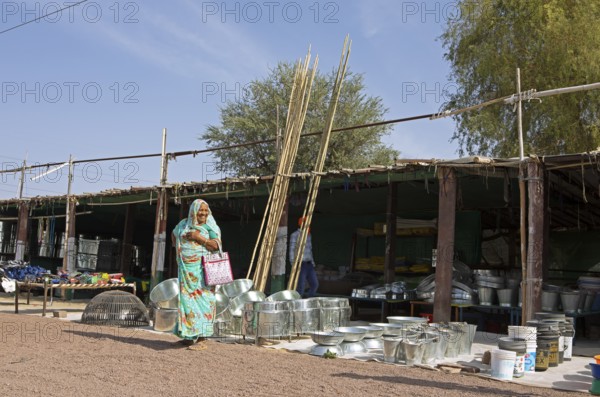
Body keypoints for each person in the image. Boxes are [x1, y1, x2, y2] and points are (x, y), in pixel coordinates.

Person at [171, 198, 221, 350]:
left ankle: (203, 338)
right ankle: (189, 336)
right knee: (187, 302)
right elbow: (174, 236)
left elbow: (216, 245)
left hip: (202, 272)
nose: (204, 213)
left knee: (205, 302)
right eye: (201, 211)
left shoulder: (210, 225)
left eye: (206, 211)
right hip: (186, 272)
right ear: (193, 211)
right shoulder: (183, 224)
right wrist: (181, 250)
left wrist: (198, 237)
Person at [289, 216, 319, 298]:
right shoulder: (295, 235)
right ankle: (298, 305)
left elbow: (310, 249)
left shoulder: (309, 235)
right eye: (306, 223)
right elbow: (291, 250)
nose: (308, 225)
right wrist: (293, 264)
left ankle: (308, 302)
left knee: (314, 284)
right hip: (300, 264)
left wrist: (312, 263)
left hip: (309, 264)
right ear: (301, 224)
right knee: (300, 288)